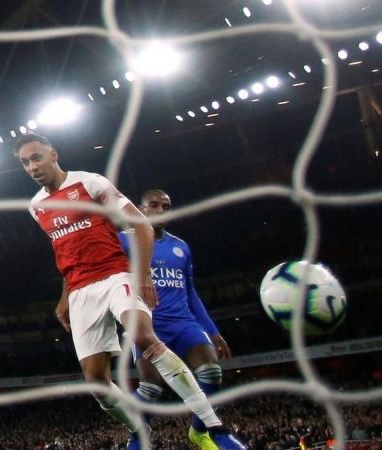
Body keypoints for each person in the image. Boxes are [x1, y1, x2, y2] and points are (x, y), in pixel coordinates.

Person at [13, 133, 245, 450]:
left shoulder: (90, 184)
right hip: (81, 290)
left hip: (114, 274)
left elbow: (141, 225)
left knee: (143, 336)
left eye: (36, 157)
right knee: (96, 381)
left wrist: (143, 274)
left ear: (53, 155)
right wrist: (64, 298)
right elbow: (66, 251)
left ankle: (215, 429)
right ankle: (140, 431)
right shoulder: (36, 206)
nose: (32, 166)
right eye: (25, 162)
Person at [118, 189, 234, 449]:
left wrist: (213, 331)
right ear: (141, 209)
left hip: (183, 323)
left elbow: (190, 292)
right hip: (147, 324)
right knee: (151, 388)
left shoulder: (180, 246)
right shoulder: (123, 242)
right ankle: (136, 439)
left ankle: (199, 430)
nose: (160, 210)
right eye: (154, 205)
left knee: (212, 371)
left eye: (166, 206)